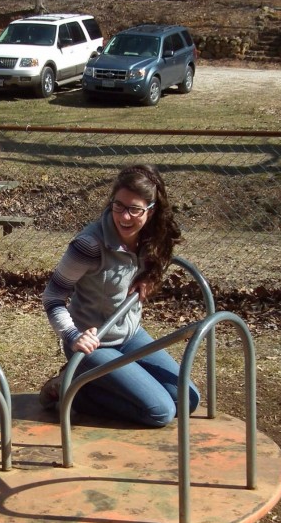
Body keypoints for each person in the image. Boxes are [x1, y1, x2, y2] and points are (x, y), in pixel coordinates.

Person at [40, 164, 200, 427]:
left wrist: (150, 277)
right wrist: (73, 336)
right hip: (94, 344)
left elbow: (161, 255)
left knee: (187, 399)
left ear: (152, 210)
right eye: (119, 206)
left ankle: (90, 384)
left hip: (131, 334)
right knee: (159, 412)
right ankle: (70, 390)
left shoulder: (152, 233)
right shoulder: (89, 245)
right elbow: (52, 297)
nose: (124, 217)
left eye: (134, 209)